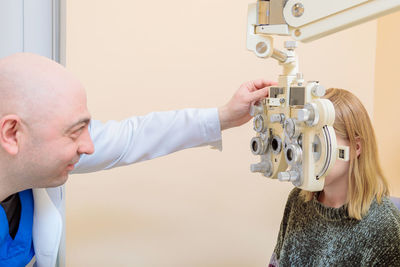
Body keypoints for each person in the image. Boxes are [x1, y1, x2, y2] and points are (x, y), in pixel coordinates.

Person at [0, 53, 275, 267]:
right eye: (75, 132)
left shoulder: (37, 156)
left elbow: (132, 137)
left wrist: (224, 116)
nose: (90, 146)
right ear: (12, 134)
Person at [269, 88, 400, 266]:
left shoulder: (383, 226)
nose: (306, 156)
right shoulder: (297, 200)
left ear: (355, 147)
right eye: (304, 140)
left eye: (317, 144)